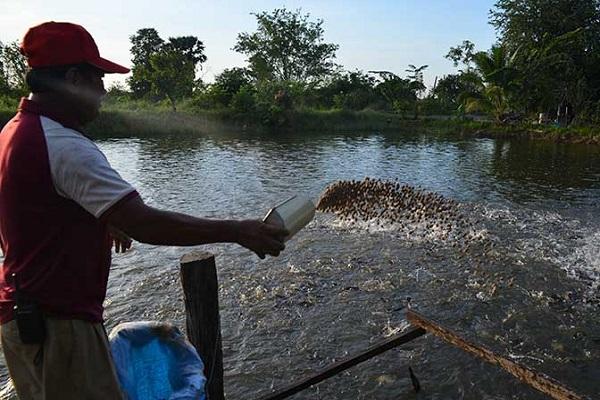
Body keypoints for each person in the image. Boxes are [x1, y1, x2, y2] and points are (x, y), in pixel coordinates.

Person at [0, 22, 287, 400]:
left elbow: (32, 214)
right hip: (60, 327)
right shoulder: (64, 145)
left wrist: (100, 220)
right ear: (71, 79)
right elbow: (144, 222)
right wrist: (238, 230)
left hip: (26, 317)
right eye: (97, 79)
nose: (103, 92)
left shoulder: (15, 132)